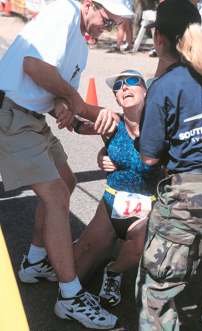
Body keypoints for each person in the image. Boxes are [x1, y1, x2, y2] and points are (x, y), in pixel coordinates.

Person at [0, 0, 134, 329]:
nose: (110, 27)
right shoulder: (65, 12)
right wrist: (74, 101)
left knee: (67, 181)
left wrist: (68, 110)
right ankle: (71, 297)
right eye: (108, 18)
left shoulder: (82, 41)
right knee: (57, 194)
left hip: (31, 117)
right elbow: (32, 66)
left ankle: (34, 261)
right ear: (89, 4)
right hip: (13, 115)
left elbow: (54, 86)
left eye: (116, 23)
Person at [136, 1, 202, 331]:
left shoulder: (164, 86)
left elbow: (149, 157)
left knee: (158, 285)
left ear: (159, 39)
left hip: (192, 194)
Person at [73, 69, 161, 307]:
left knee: (137, 249)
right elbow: (77, 126)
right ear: (115, 98)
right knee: (75, 275)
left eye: (132, 81)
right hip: (112, 200)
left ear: (146, 90)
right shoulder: (112, 123)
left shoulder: (161, 125)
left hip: (147, 206)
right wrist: (102, 154)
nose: (124, 87)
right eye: (118, 86)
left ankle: (114, 271)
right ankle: (91, 248)